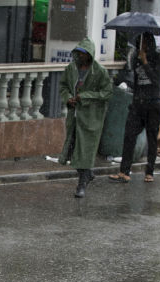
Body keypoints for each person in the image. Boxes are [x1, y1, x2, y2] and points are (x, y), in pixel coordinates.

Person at [58, 37, 113, 198]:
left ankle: (82, 183)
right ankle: (86, 174)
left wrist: (86, 96)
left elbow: (107, 93)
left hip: (91, 118)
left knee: (86, 151)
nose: (81, 56)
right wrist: (68, 98)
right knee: (73, 149)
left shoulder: (99, 72)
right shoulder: (71, 69)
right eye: (79, 53)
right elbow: (63, 86)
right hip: (74, 116)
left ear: (89, 55)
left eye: (84, 53)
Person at [109, 32, 160, 183]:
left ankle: (150, 172)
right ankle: (124, 171)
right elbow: (136, 81)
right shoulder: (136, 59)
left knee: (151, 138)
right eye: (140, 43)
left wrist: (145, 61)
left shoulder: (159, 59)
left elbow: (156, 80)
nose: (142, 46)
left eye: (145, 43)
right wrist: (133, 102)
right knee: (129, 136)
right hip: (138, 104)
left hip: (153, 103)